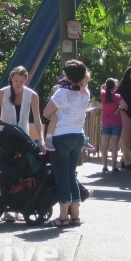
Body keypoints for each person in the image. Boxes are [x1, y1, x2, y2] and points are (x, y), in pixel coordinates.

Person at [42, 60, 92, 227]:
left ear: (68, 76)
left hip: (61, 136)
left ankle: (63, 216)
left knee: (61, 176)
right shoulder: (86, 93)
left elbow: (46, 112)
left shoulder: (61, 93)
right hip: (78, 135)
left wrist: (55, 115)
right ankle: (75, 215)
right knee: (71, 175)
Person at [0, 65, 44, 140]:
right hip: (4, 136)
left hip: (22, 137)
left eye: (21, 81)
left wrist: (41, 139)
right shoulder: (2, 93)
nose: (18, 84)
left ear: (26, 80)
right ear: (11, 78)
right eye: (16, 81)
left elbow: (37, 118)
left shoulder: (33, 95)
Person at [99, 78, 128, 174]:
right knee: (114, 145)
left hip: (105, 122)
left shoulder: (103, 94)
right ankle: (114, 167)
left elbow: (102, 87)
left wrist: (106, 86)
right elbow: (125, 105)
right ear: (114, 86)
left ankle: (104, 166)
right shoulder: (117, 96)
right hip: (116, 122)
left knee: (105, 145)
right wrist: (118, 109)